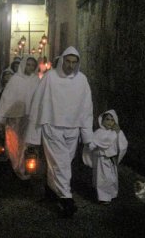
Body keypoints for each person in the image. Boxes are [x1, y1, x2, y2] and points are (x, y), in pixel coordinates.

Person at [27, 46, 94, 217]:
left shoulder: (82, 81)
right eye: (68, 61)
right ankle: (66, 199)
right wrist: (33, 133)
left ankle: (51, 190)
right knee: (60, 163)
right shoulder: (50, 78)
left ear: (77, 63)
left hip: (73, 129)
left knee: (62, 163)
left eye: (74, 62)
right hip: (52, 127)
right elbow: (37, 103)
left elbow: (87, 108)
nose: (70, 65)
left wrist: (87, 134)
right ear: (62, 61)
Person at [0, 54, 40, 180]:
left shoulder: (36, 81)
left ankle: (22, 168)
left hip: (29, 118)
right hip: (14, 118)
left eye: (33, 65)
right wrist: (1, 118)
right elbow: (6, 99)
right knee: (13, 143)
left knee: (25, 143)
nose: (30, 67)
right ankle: (15, 166)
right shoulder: (15, 80)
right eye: (28, 64)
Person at [82, 109, 128, 204]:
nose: (109, 122)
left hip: (110, 159)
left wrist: (119, 133)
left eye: (112, 120)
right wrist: (90, 145)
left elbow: (123, 144)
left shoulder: (116, 133)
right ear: (102, 120)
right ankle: (104, 198)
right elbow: (92, 144)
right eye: (107, 119)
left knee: (111, 178)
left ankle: (112, 194)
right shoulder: (98, 133)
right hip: (100, 159)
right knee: (102, 178)